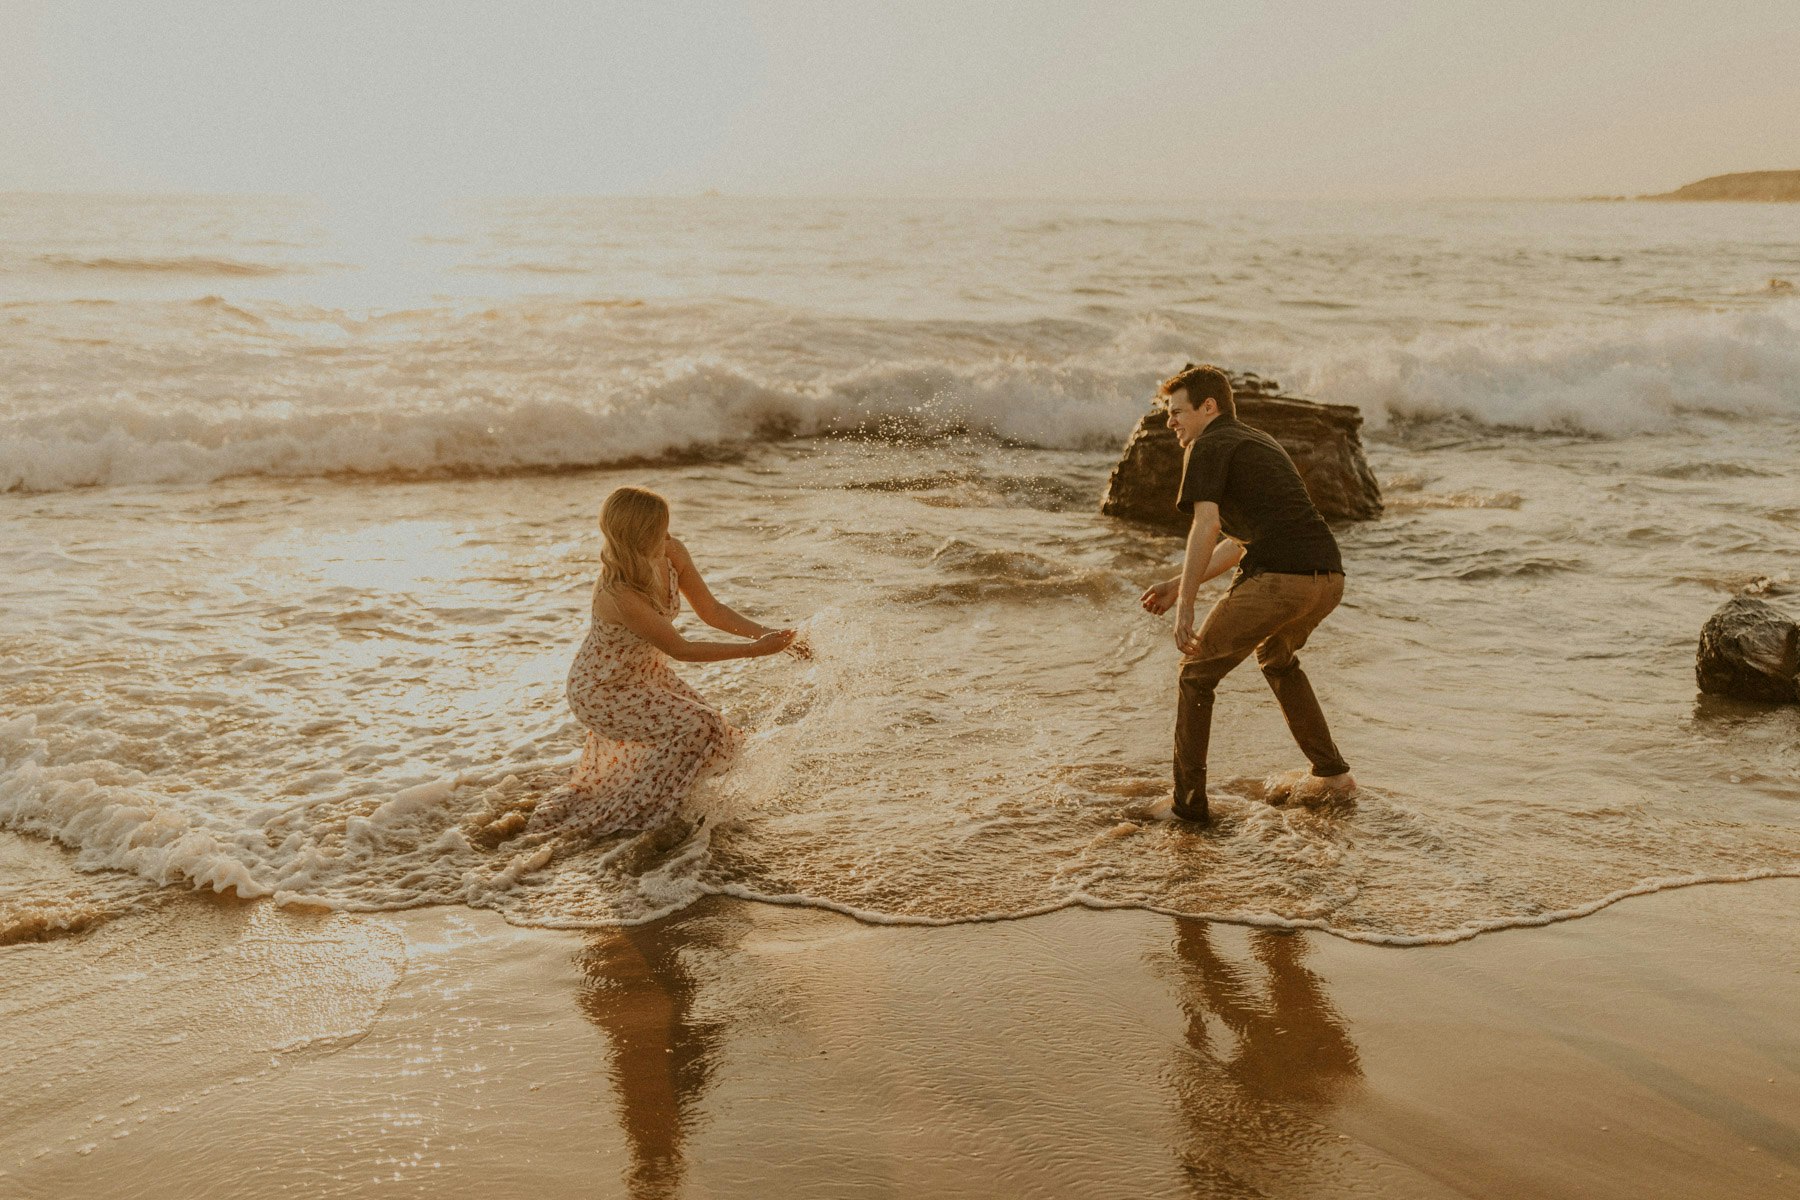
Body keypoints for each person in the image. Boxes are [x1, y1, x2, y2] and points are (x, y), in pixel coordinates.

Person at [1139, 364, 1354, 823]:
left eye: (1177, 412)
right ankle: (1333, 775)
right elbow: (1240, 542)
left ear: (1208, 407)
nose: (1170, 422)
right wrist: (1178, 585)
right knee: (1277, 658)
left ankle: (1187, 807)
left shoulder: (1207, 445)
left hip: (1280, 579)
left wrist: (1187, 606)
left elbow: (1206, 524)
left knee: (1195, 674)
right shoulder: (1258, 441)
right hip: (1327, 579)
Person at [526, 485, 801, 839]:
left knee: (720, 736)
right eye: (661, 531)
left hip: (646, 674)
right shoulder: (619, 593)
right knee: (699, 727)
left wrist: (771, 636)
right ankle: (634, 821)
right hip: (602, 689)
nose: (669, 537)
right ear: (640, 537)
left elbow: (712, 610)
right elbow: (681, 649)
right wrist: (755, 651)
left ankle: (673, 805)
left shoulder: (672, 553)